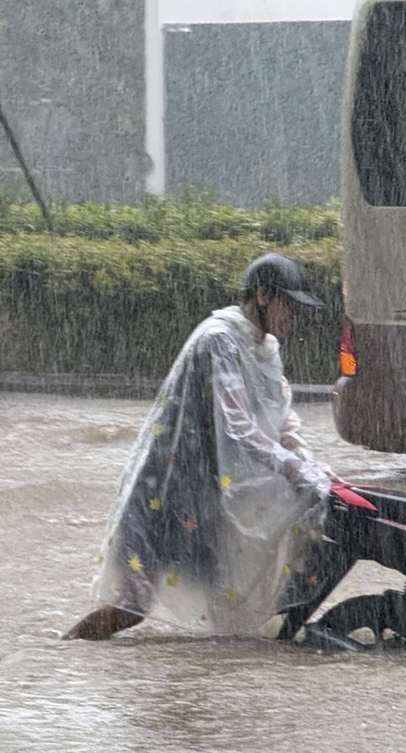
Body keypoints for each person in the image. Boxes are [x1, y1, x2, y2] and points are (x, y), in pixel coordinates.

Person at [62, 253, 333, 640]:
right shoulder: (218, 339)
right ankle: (64, 651)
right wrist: (296, 470)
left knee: (225, 607)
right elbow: (238, 425)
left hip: (209, 497)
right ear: (263, 296)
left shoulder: (266, 348)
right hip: (168, 490)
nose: (294, 315)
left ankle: (220, 676)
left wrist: (312, 465)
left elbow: (281, 419)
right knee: (132, 605)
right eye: (289, 304)